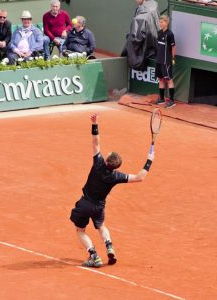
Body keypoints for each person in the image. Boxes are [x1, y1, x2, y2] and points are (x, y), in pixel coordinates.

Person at [70, 113, 155, 268]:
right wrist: (149, 160)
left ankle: (94, 256)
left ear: (107, 160)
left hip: (84, 204)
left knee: (80, 230)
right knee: (101, 227)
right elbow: (139, 177)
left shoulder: (98, 163)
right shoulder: (116, 176)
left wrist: (95, 124)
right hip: (99, 207)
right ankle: (109, 246)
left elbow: (96, 143)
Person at [154, 15, 176, 108]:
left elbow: (173, 47)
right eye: (159, 22)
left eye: (162, 22)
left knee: (169, 80)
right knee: (160, 79)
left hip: (166, 61)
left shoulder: (170, 34)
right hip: (159, 60)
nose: (160, 23)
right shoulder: (159, 33)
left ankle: (171, 101)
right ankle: (162, 99)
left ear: (166, 23)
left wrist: (173, 58)